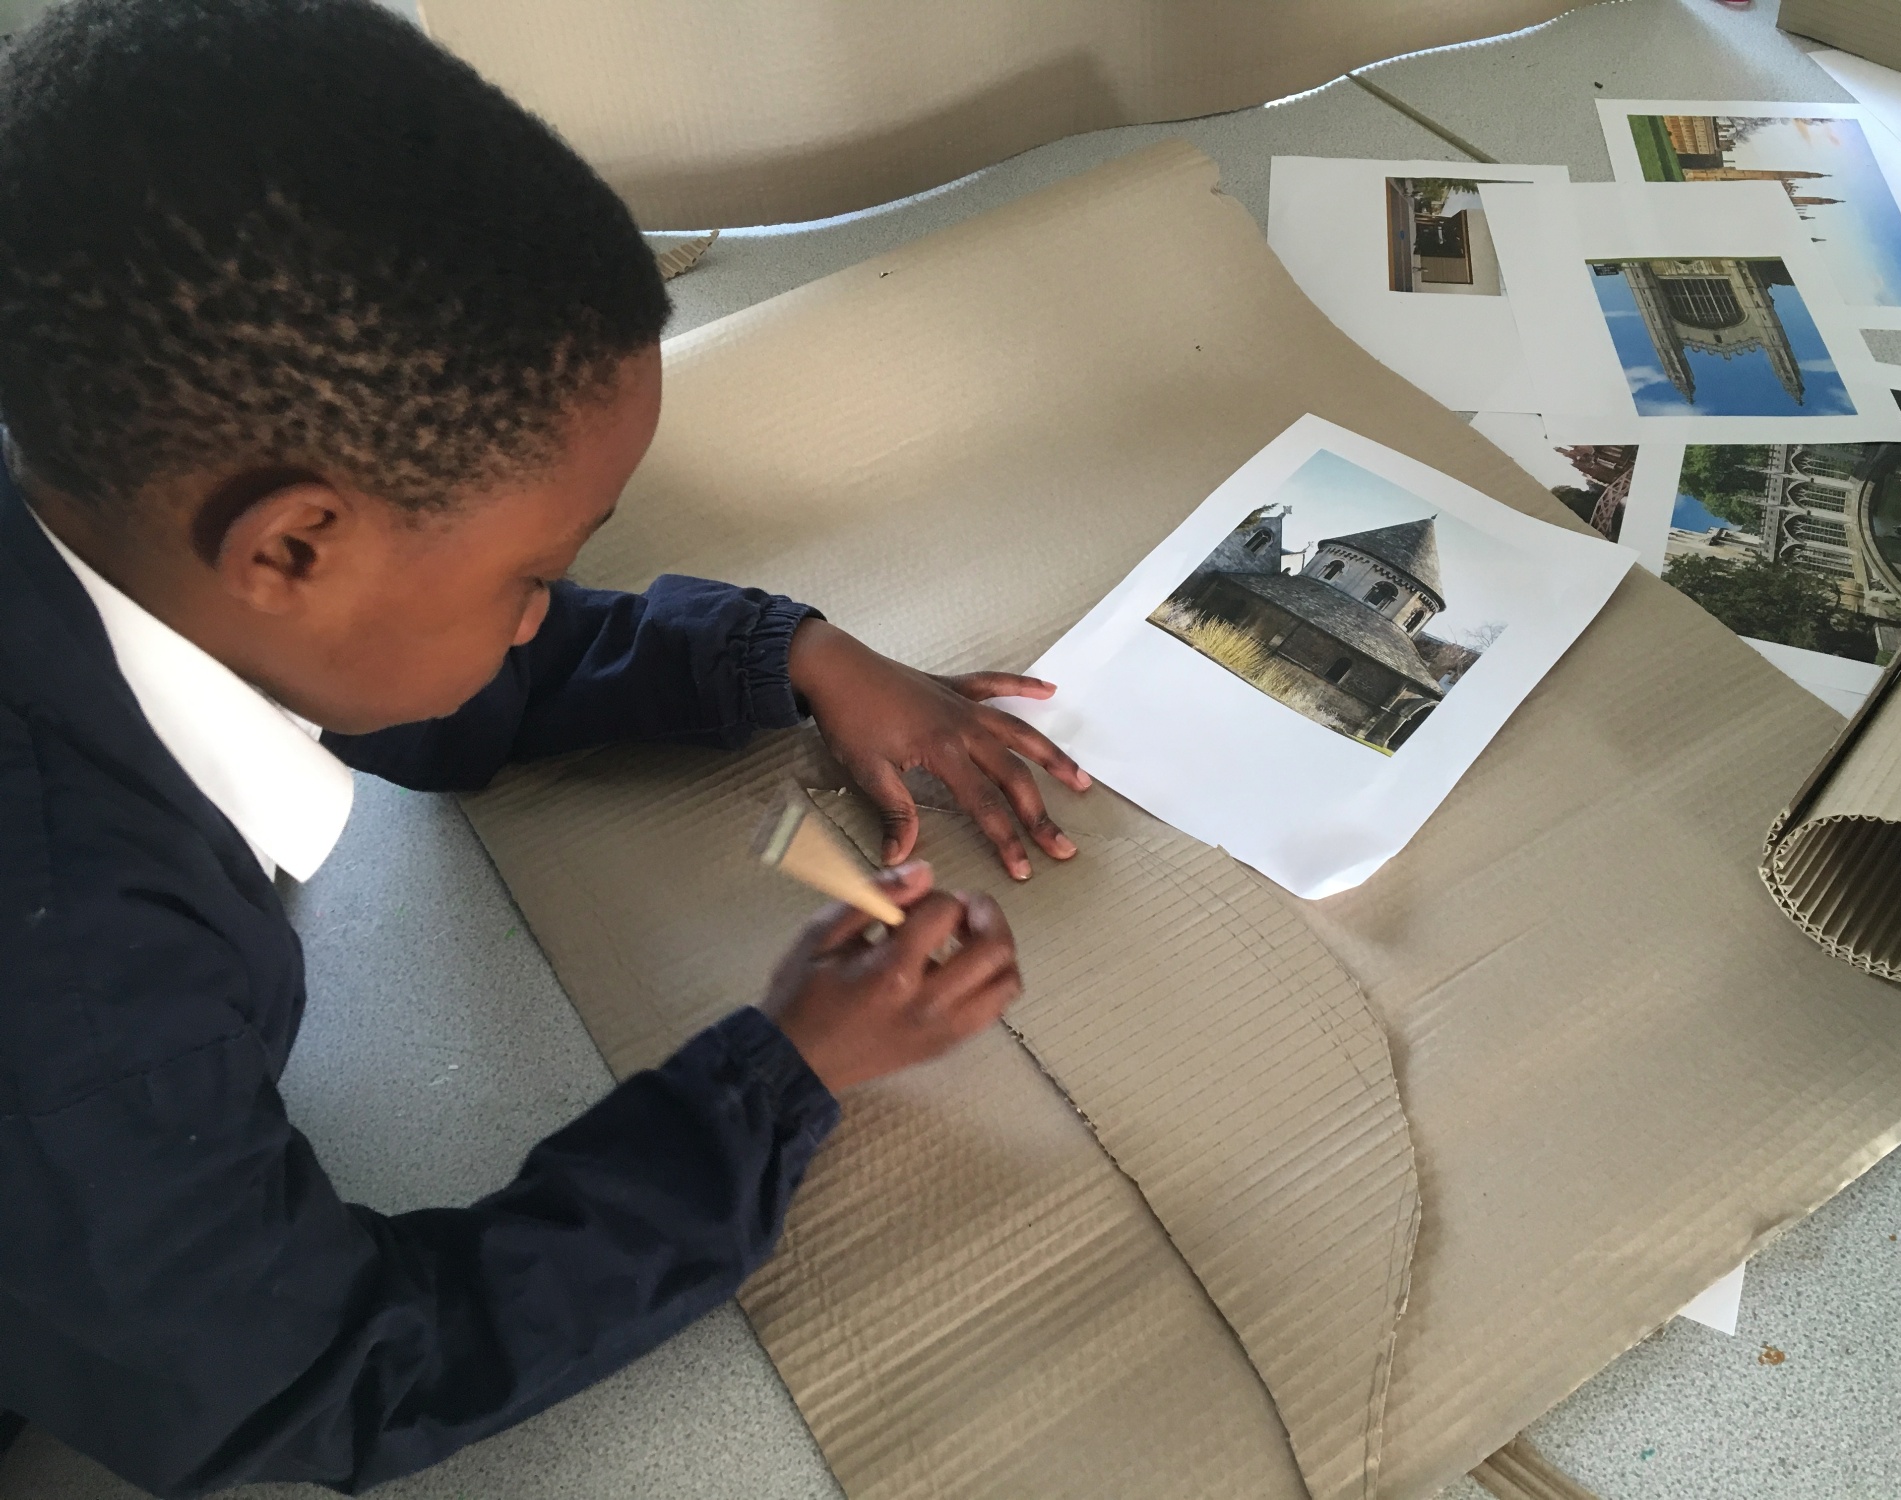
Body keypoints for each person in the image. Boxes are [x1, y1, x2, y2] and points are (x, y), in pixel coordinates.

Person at [0, 1, 1092, 1493]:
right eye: (536, 574)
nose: (540, 614)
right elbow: (320, 1376)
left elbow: (412, 667)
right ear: (294, 546)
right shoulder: (79, 982)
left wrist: (786, 654)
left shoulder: (106, 503)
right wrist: (780, 1076)